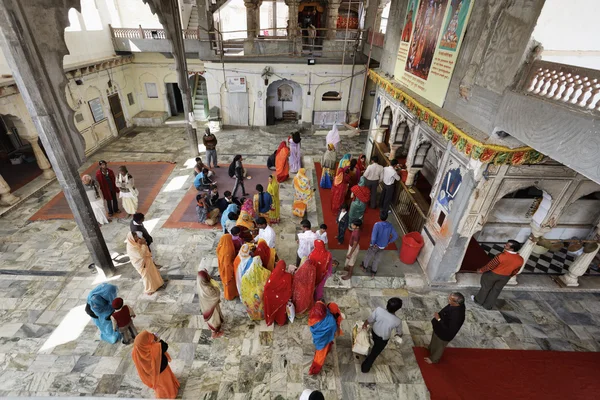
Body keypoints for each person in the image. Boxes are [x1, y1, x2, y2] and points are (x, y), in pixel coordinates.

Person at [472, 240, 524, 310]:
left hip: (493, 275)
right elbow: (516, 270)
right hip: (505, 277)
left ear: (512, 249)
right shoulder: (520, 259)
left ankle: (478, 301)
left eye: (507, 245)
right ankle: (488, 306)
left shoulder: (501, 256)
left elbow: (490, 266)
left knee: (486, 288)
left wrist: (481, 270)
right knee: (496, 291)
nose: (505, 245)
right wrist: (509, 276)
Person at [132, 331, 180, 399]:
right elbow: (165, 346)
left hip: (151, 373)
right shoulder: (155, 348)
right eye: (148, 336)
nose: (151, 335)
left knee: (160, 385)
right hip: (162, 370)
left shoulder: (136, 351)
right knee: (166, 383)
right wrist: (157, 339)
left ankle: (162, 394)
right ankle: (171, 394)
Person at [361, 297, 403, 373]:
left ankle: (367, 350)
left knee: (371, 342)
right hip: (383, 339)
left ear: (387, 304)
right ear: (397, 309)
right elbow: (399, 333)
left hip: (374, 331)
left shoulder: (378, 310)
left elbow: (369, 320)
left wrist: (365, 324)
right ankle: (365, 368)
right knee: (374, 354)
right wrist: (399, 336)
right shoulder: (397, 321)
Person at [425, 292, 466, 364]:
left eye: (450, 300)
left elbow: (449, 328)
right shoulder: (454, 305)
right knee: (435, 338)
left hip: (445, 333)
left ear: (456, 303)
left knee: (440, 346)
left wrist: (438, 319)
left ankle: (433, 359)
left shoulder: (457, 315)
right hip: (439, 327)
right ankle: (431, 348)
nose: (448, 300)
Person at [308, 301, 343, 375]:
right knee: (324, 347)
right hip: (327, 336)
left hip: (323, 340)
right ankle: (328, 345)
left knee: (320, 355)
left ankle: (315, 369)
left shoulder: (327, 321)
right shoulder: (330, 318)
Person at [361, 212, 398, 277]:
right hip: (383, 246)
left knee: (369, 255)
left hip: (375, 245)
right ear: (386, 217)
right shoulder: (390, 225)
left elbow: (373, 237)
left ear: (379, 217)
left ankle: (364, 267)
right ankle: (373, 271)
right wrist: (389, 241)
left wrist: (373, 244)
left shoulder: (377, 225)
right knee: (377, 259)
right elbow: (395, 236)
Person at [240, 256, 271, 320]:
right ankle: (262, 316)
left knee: (254, 307)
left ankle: (253, 316)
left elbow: (243, 289)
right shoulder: (266, 273)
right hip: (261, 296)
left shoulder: (245, 276)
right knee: (260, 307)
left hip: (251, 298)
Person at [264, 260, 293, 326]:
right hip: (282, 300)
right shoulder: (288, 276)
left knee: (273, 309)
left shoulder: (273, 274)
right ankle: (281, 322)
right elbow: (289, 290)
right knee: (281, 312)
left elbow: (267, 289)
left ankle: (273, 319)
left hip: (271, 298)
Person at [197, 270, 224, 338]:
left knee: (211, 319)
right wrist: (216, 287)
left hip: (206, 305)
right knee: (214, 319)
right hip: (211, 307)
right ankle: (215, 333)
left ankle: (212, 328)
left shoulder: (200, 283)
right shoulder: (207, 289)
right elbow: (216, 294)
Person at [216, 233, 238, 300]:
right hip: (227, 269)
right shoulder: (228, 249)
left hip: (222, 266)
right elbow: (227, 263)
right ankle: (229, 296)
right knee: (229, 283)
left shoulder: (221, 245)